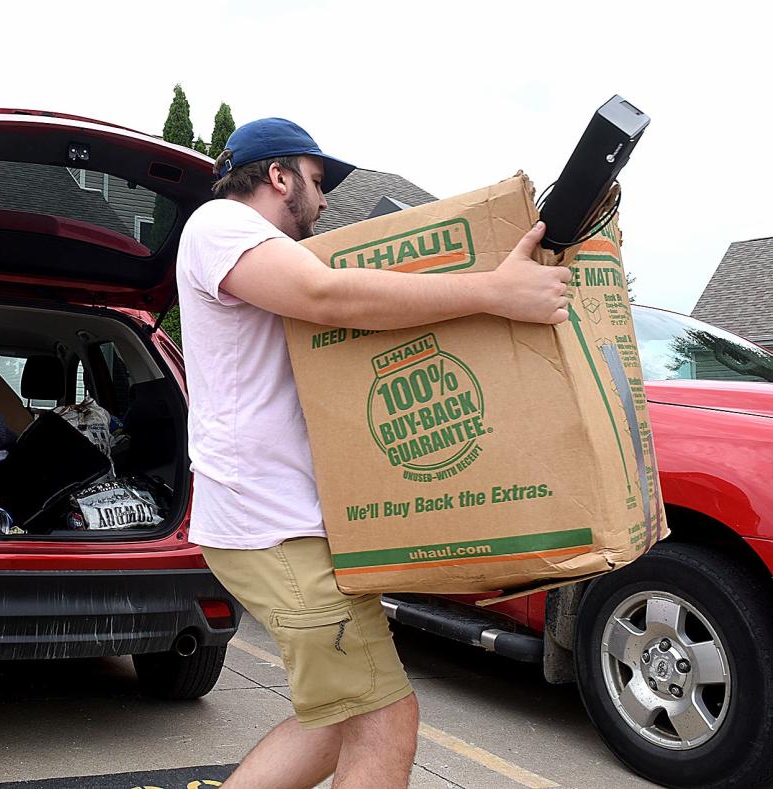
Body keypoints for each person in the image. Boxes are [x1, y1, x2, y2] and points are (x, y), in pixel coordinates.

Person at [175, 118, 572, 788]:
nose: (324, 200)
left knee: (337, 719)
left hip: (279, 524)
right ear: (278, 176)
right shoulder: (220, 224)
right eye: (317, 180)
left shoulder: (252, 244)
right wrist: (493, 293)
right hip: (273, 525)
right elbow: (328, 296)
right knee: (387, 718)